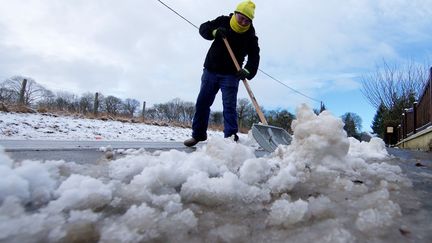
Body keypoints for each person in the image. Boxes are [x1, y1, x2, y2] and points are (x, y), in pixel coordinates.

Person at [184, 0, 260, 147]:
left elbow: (254, 57)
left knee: (229, 107)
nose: (243, 22)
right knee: (202, 103)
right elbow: (203, 28)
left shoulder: (250, 36)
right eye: (241, 17)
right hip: (211, 70)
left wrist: (248, 70)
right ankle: (198, 135)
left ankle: (230, 139)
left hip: (231, 75)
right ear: (236, 13)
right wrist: (214, 32)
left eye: (247, 20)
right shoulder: (223, 21)